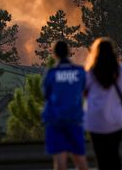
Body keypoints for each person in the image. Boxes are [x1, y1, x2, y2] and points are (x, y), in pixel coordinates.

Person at [42, 41, 88, 170]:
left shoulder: (51, 73)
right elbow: (85, 91)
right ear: (68, 52)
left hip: (56, 120)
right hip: (74, 119)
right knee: (80, 161)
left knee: (60, 162)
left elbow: (46, 95)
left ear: (54, 54)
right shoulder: (80, 72)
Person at [84, 38, 122, 170]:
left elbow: (84, 92)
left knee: (101, 159)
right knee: (114, 156)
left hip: (96, 121)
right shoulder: (120, 69)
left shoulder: (90, 71)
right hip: (116, 120)